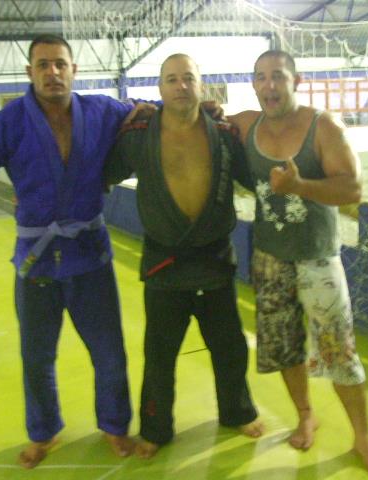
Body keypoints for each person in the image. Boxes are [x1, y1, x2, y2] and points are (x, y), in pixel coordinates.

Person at [0, 34, 145, 468]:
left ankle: (114, 425)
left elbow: (147, 111)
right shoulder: (8, 122)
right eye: (43, 65)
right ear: (29, 72)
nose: (52, 72)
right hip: (36, 258)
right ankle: (44, 432)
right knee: (37, 357)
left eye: (60, 64)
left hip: (90, 257)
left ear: (74, 70)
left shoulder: (101, 111)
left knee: (109, 352)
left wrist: (199, 109)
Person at [229, 50, 368, 476]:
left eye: (278, 77)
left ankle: (362, 436)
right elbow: (199, 121)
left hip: (318, 259)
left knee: (339, 352)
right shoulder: (245, 125)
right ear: (253, 84)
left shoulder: (324, 127)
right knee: (285, 348)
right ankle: (305, 415)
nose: (269, 85)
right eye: (260, 77)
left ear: (296, 81)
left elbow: (352, 189)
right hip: (269, 258)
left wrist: (300, 185)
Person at [105, 53, 264, 459]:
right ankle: (155, 429)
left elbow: (256, 177)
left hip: (214, 259)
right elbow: (102, 172)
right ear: (160, 88)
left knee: (229, 347)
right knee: (160, 355)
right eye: (172, 79)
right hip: (165, 264)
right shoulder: (138, 135)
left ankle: (237, 411)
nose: (181, 86)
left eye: (188, 78)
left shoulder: (223, 133)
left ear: (200, 84)